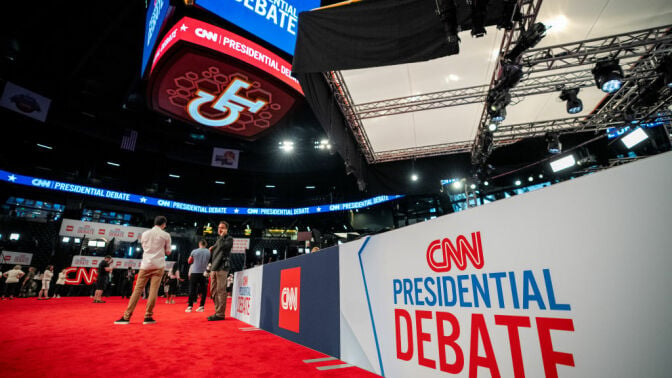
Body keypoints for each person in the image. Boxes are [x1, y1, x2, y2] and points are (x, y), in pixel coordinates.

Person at [114, 215, 171, 325]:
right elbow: (168, 252)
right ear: (163, 224)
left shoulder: (145, 233)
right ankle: (148, 316)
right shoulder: (166, 235)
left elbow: (145, 248)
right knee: (153, 291)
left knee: (137, 290)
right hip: (158, 265)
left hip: (145, 264)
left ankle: (126, 316)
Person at [207, 220, 233, 321]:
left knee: (221, 291)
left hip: (222, 268)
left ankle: (220, 314)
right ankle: (218, 311)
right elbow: (217, 249)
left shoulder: (229, 239)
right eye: (219, 227)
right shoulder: (219, 240)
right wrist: (213, 248)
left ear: (226, 229)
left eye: (222, 227)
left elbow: (224, 247)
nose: (220, 229)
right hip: (214, 268)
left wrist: (222, 237)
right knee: (213, 292)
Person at [185, 240, 210, 313]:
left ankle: (190, 306)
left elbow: (189, 261)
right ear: (206, 244)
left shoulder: (194, 251)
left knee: (192, 289)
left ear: (199, 244)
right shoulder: (208, 252)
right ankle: (201, 306)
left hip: (195, 272)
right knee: (203, 290)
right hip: (204, 273)